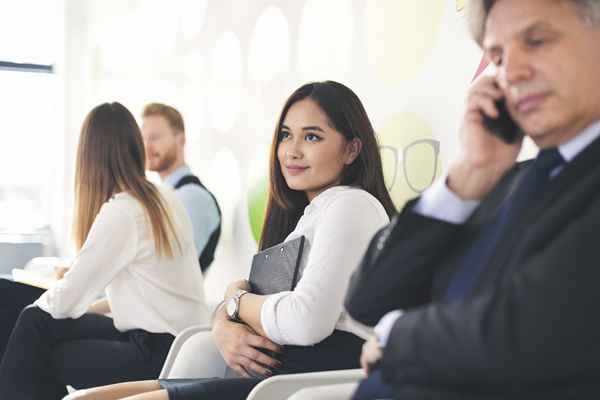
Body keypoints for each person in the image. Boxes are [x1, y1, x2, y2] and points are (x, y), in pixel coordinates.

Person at [66, 80, 396, 400]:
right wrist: (227, 318)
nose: (292, 151)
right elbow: (255, 297)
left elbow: (305, 320)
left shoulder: (352, 205)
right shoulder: (309, 215)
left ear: (352, 149)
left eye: (312, 136)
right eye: (285, 135)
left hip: (301, 379)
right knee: (84, 399)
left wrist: (236, 302)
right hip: (270, 374)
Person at [336, 0, 600, 399]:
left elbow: (528, 332)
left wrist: (396, 337)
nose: (512, 71)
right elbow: (370, 298)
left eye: (537, 40)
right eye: (498, 56)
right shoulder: (505, 181)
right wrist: (470, 174)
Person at [0, 102, 209, 400]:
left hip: (156, 353)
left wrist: (39, 308)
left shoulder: (123, 211)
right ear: (135, 146)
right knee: (25, 316)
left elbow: (65, 302)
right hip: (179, 345)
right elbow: (133, 293)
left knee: (35, 327)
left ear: (89, 157)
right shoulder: (163, 198)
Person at [141, 103, 221, 272]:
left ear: (181, 140)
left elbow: (168, 270)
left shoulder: (193, 197)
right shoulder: (166, 195)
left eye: (154, 138)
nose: (146, 146)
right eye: (143, 138)